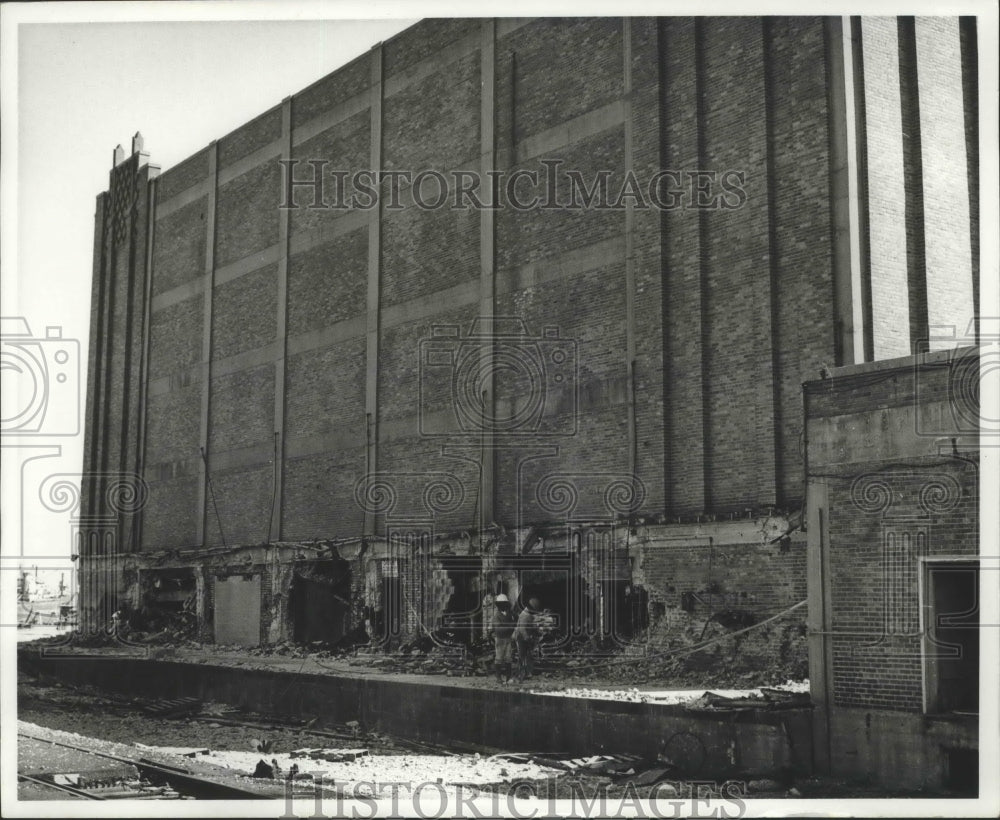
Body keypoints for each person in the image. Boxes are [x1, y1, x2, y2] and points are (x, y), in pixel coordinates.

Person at [513, 596, 541, 682]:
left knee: (528, 656)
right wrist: (527, 638)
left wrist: (537, 631)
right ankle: (520, 673)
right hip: (520, 637)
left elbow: (532, 625)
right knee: (522, 655)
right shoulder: (524, 615)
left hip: (526, 637)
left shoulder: (529, 615)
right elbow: (522, 629)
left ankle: (528, 673)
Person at [492, 594, 516, 684]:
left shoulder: (508, 614)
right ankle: (498, 678)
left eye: (504, 604)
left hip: (507, 638)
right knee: (499, 658)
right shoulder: (496, 616)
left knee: (508, 658)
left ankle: (508, 677)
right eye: (501, 604)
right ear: (498, 605)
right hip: (500, 639)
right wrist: (510, 626)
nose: (503, 606)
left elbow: (513, 623)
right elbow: (498, 629)